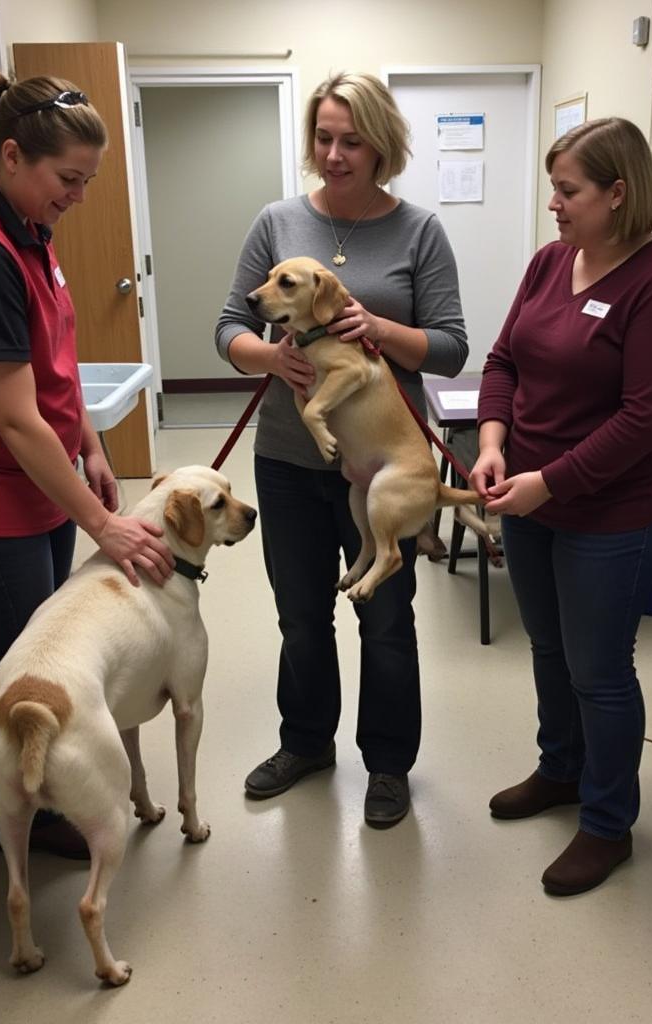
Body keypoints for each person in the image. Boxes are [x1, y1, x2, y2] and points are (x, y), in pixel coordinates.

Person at [0, 71, 175, 858]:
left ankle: (33, 796)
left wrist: (88, 440)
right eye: (69, 179)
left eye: (88, 181)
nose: (78, 197)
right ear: (12, 155)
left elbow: (50, 362)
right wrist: (106, 527)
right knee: (22, 657)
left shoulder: (22, 223)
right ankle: (16, 814)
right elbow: (14, 419)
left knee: (45, 647)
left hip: (39, 479)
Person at [216, 71, 467, 828]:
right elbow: (231, 325)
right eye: (323, 138)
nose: (334, 154)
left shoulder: (419, 231)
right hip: (291, 461)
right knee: (300, 616)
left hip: (383, 461)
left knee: (386, 619)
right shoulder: (277, 220)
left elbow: (453, 349)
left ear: (381, 145)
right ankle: (305, 743)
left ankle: (388, 765)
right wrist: (269, 358)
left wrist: (380, 331)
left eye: (351, 140)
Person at [469, 117, 652, 895]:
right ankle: (561, 770)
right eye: (554, 189)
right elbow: (503, 358)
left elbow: (646, 421)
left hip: (615, 510)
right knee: (548, 648)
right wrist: (494, 441)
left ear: (618, 192)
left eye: (567, 191)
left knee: (599, 669)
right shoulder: (550, 263)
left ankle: (608, 825)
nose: (554, 205)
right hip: (530, 491)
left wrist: (550, 484)